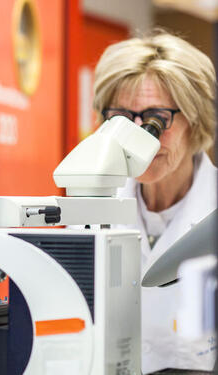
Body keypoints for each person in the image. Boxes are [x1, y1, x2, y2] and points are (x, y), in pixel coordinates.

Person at [93, 31, 217, 374]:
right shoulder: (93, 208)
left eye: (154, 120)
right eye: (121, 118)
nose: (138, 137)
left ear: (194, 120)